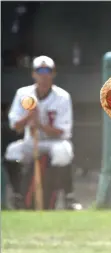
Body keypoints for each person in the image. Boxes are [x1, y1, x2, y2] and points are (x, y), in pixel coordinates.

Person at [4, 55, 82, 210]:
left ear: (53, 74)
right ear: (34, 74)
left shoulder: (62, 96)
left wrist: (39, 124)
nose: (44, 75)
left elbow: (63, 132)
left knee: (64, 152)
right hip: (32, 140)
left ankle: (69, 197)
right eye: (40, 71)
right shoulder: (23, 94)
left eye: (47, 71)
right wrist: (29, 116)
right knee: (12, 151)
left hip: (55, 141)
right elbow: (16, 126)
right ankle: (18, 195)